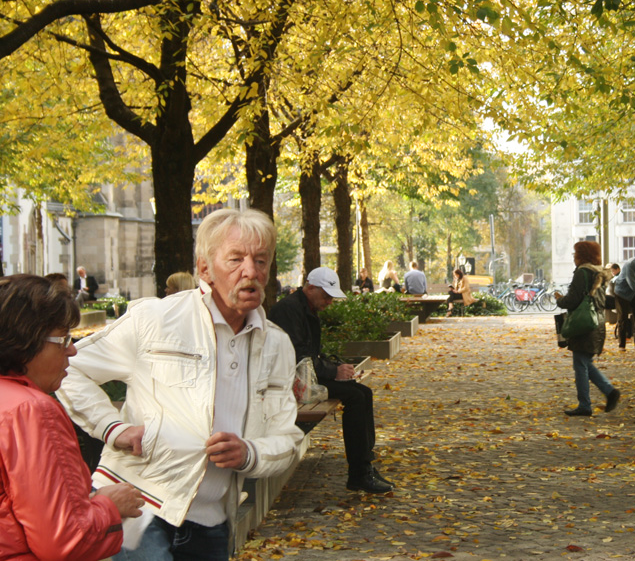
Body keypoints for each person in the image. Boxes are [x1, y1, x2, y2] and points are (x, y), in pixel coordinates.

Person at [57, 208, 303, 560]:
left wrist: (250, 453)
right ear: (204, 268)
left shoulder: (276, 344)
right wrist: (112, 427)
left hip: (213, 522)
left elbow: (287, 437)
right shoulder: (156, 319)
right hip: (140, 511)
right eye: (235, 259)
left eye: (261, 260)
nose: (251, 271)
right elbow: (68, 366)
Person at [0, 274, 144, 560]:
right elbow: (64, 540)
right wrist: (108, 505)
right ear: (26, 340)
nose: (72, 349)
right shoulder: (32, 411)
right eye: (63, 339)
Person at [268, 267, 393, 494]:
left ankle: (365, 463)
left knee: (363, 393)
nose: (329, 302)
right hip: (288, 381)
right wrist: (334, 371)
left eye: (331, 298)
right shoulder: (289, 310)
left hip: (302, 376)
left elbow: (310, 355)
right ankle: (359, 473)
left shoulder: (304, 308)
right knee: (355, 396)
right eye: (326, 296)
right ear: (310, 287)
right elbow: (297, 357)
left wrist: (336, 368)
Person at [554, 241, 620, 417]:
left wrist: (560, 300)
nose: (574, 256)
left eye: (575, 253)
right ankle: (609, 392)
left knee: (580, 365)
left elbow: (573, 300)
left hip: (583, 324)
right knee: (585, 363)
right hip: (597, 322)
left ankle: (586, 404)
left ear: (582, 255)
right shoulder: (598, 272)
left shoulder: (582, 272)